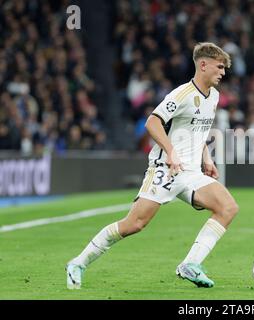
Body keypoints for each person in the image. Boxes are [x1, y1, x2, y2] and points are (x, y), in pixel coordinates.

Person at [66, 43, 239, 289]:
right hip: (166, 170)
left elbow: (196, 132)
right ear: (203, 64)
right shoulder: (182, 95)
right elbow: (153, 122)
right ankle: (78, 262)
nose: (223, 72)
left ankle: (190, 264)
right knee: (134, 224)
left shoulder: (214, 96)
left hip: (191, 172)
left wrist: (207, 159)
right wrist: (170, 152)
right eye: (219, 67)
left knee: (228, 207)